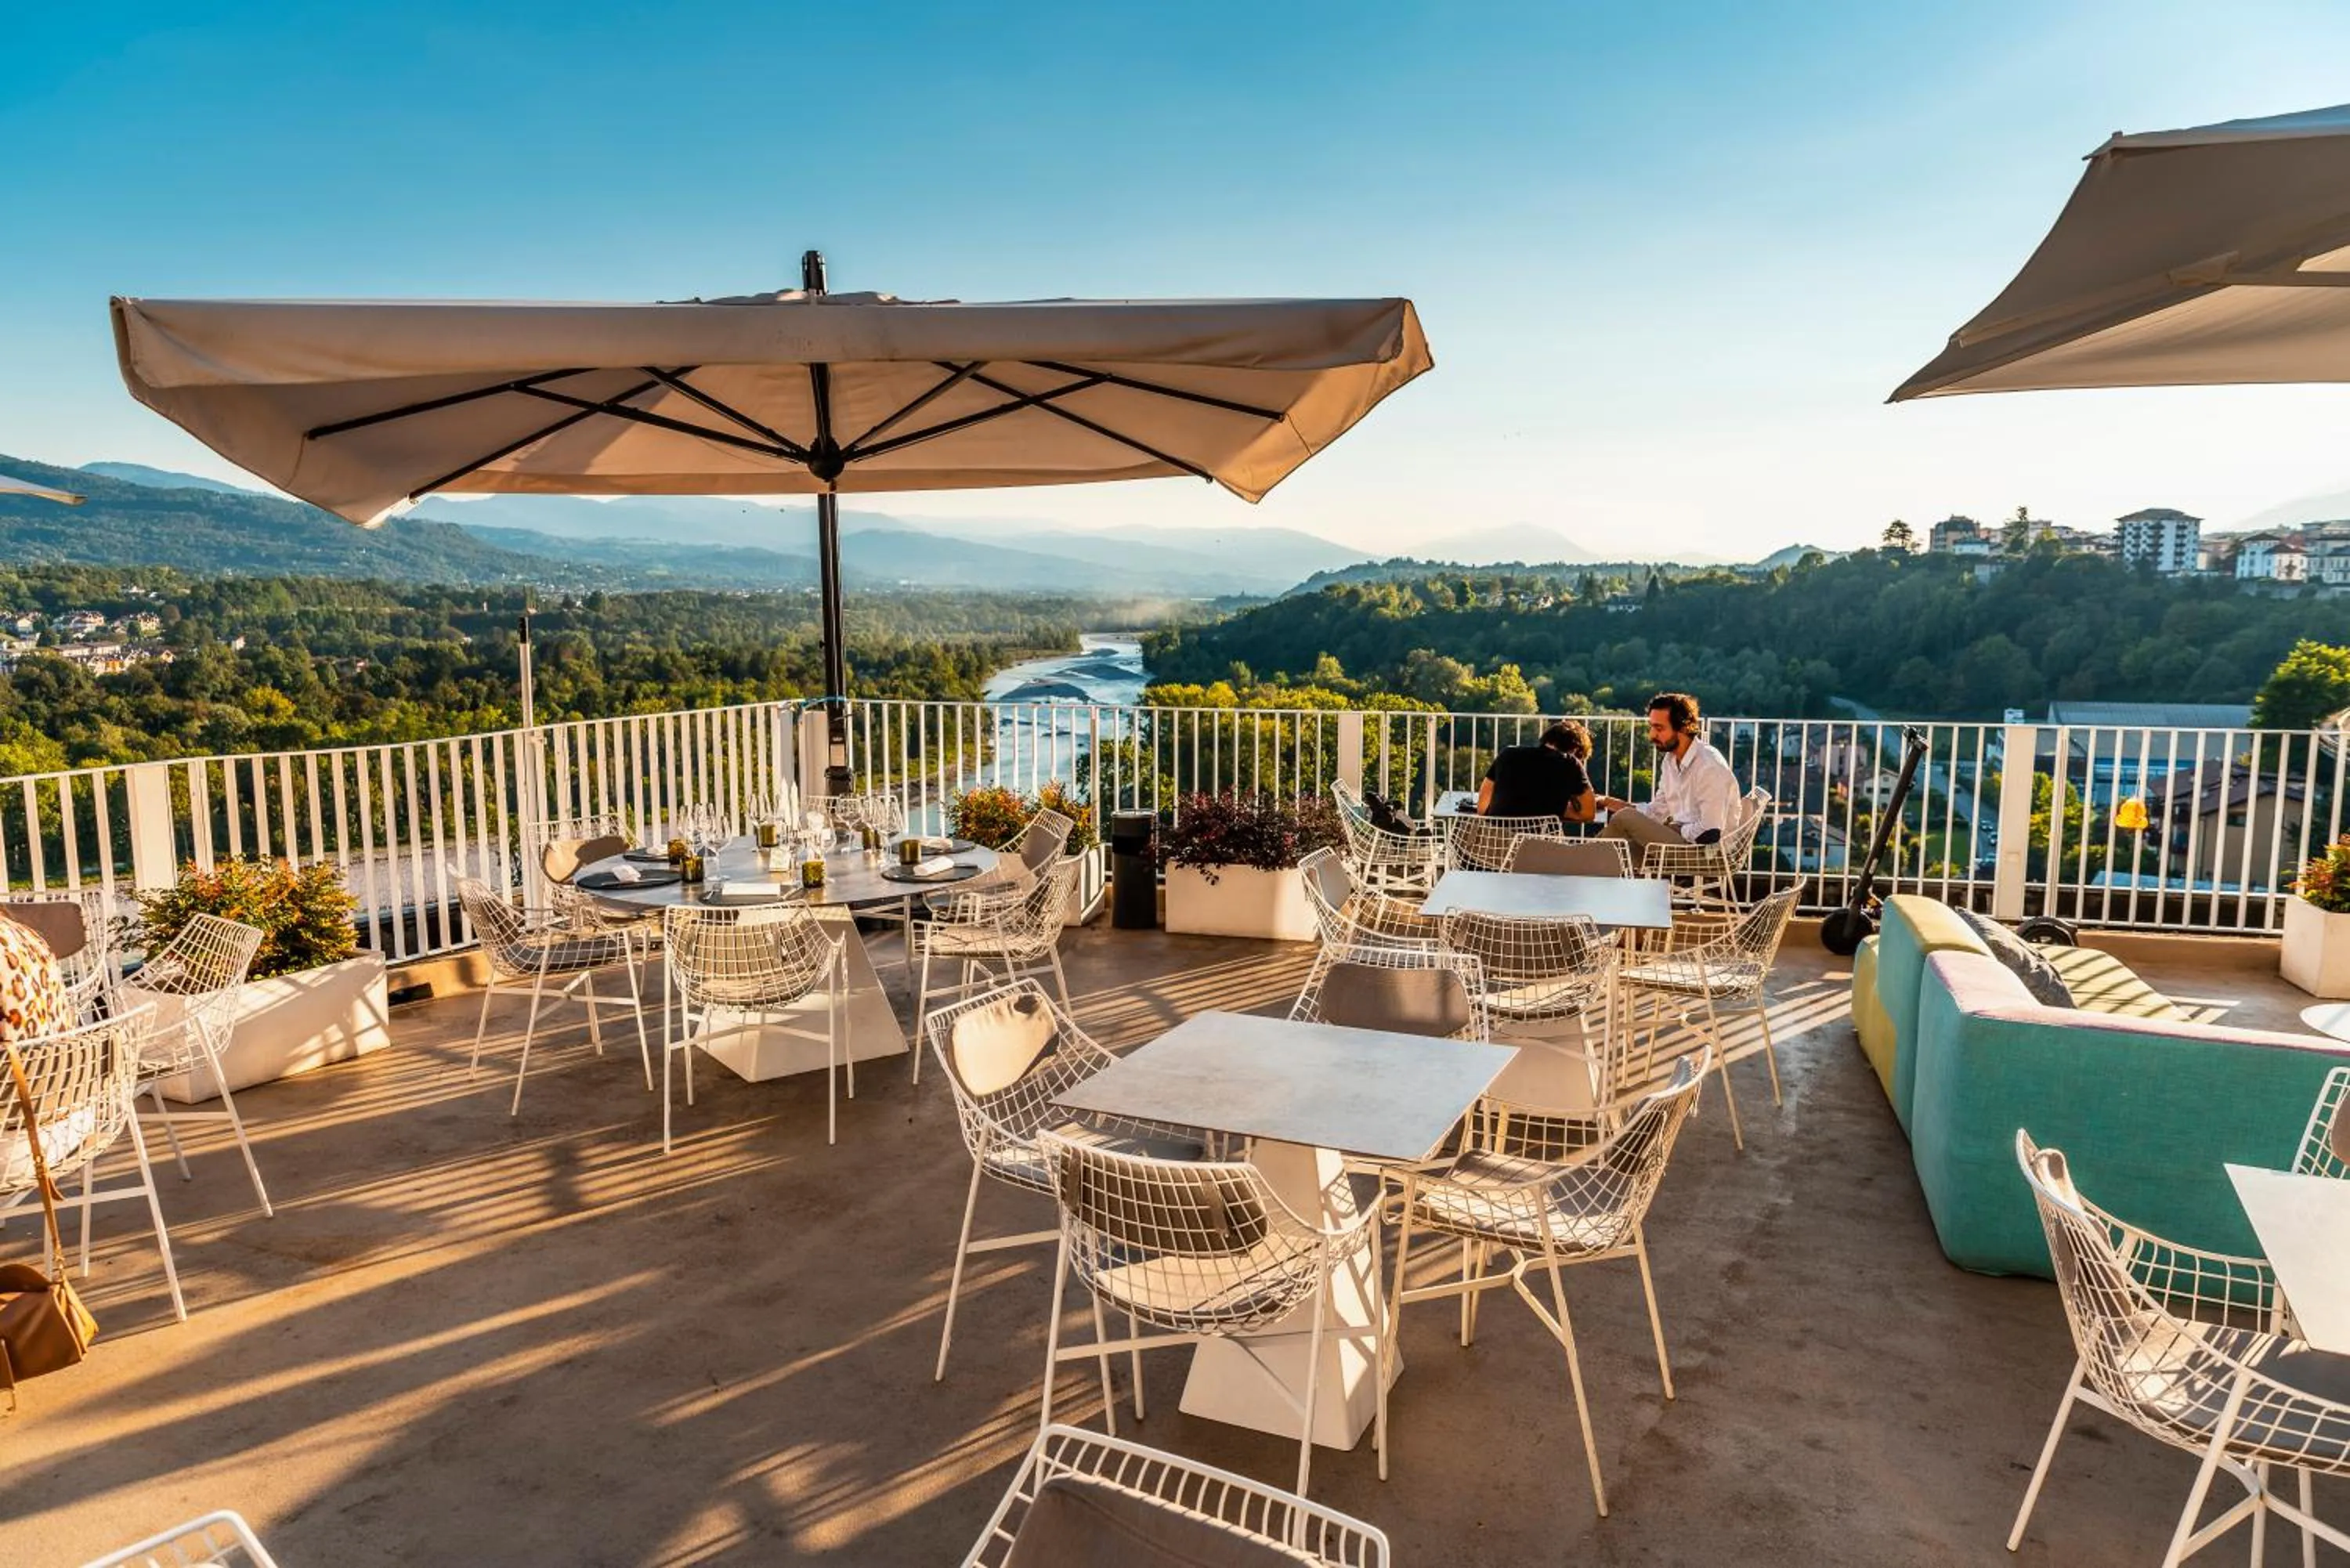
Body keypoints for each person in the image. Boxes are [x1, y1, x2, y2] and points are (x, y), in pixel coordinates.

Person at [1597, 692, 1741, 851]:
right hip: (1683, 841)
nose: (1652, 735)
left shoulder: (1709, 765)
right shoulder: (1670, 761)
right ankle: (1586, 864)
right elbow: (1655, 813)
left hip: (1707, 851)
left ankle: (1583, 863)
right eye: (1651, 727)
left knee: (1624, 819)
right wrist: (1608, 802)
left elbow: (1711, 830)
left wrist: (1678, 829)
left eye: (1659, 728)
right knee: (1624, 851)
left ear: (1683, 728)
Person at [1477, 720, 1598, 826]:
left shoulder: (1508, 754)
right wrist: (1563, 810)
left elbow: (1482, 807)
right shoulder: (1570, 763)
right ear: (1575, 750)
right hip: (1540, 846)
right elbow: (1588, 813)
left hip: (1496, 845)